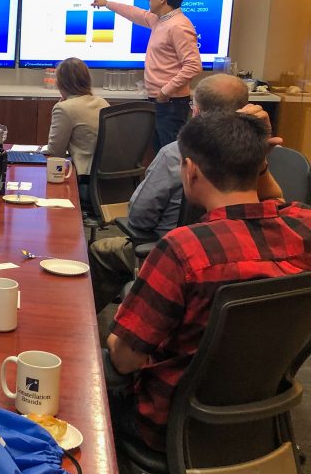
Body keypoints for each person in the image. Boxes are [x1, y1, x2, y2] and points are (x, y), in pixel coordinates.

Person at [104, 112, 311, 451]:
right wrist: (258, 163)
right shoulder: (303, 227)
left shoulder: (184, 250)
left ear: (191, 170)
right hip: (259, 421)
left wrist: (115, 334)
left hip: (168, 426)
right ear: (258, 168)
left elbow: (125, 360)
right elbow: (275, 204)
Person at [88, 73, 282, 312]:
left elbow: (139, 216)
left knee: (102, 252)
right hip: (250, 265)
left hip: (176, 257)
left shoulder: (176, 154)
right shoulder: (260, 159)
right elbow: (276, 203)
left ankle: (84, 326)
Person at [90, 0, 201, 150]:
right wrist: (107, 3)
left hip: (171, 103)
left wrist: (165, 91)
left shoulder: (178, 26)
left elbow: (193, 65)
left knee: (170, 156)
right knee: (161, 154)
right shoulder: (159, 20)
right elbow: (135, 13)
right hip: (160, 100)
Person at [44, 57, 109, 195]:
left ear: (61, 83)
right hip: (108, 183)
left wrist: (62, 103)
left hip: (84, 183)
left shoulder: (64, 108)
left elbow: (56, 152)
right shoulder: (102, 102)